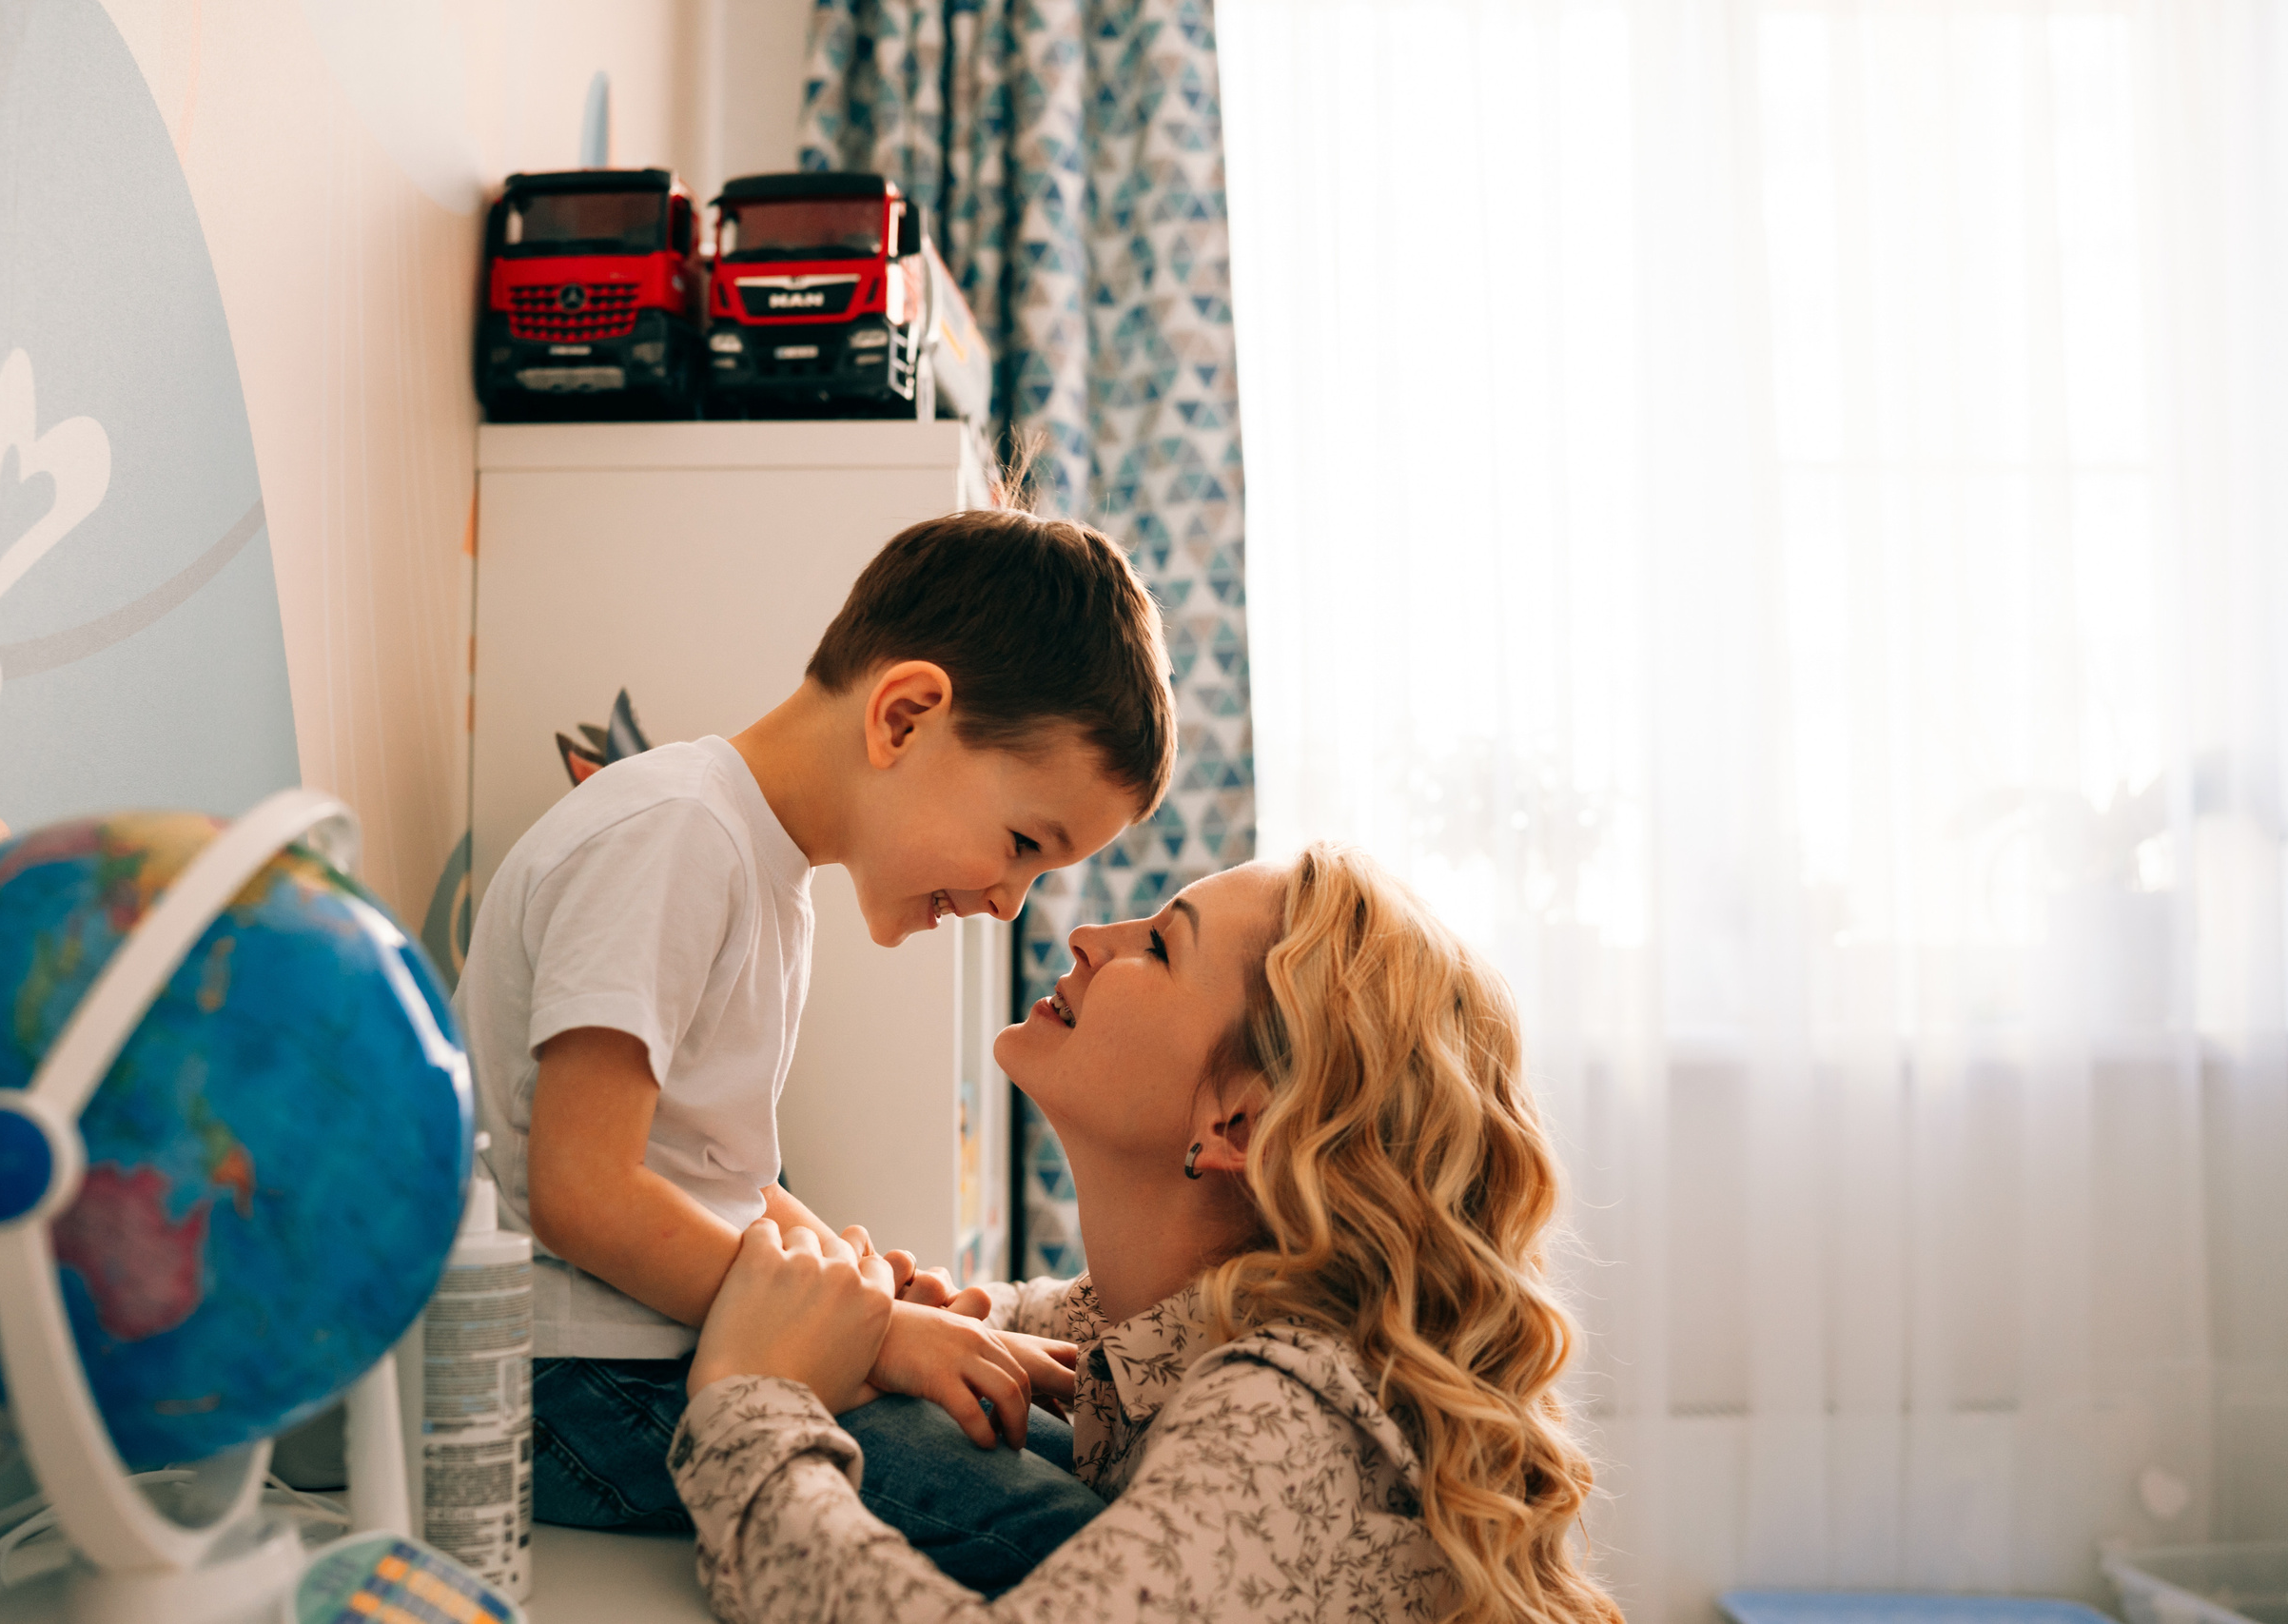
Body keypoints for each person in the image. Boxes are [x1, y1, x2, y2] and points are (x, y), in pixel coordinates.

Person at [453, 509, 1176, 1595]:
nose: (1004, 902)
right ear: (905, 715)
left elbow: (717, 1173)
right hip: (579, 1379)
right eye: (1023, 844)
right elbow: (577, 1187)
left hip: (649, 1356)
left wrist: (887, 1307)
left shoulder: (755, 862)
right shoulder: (675, 836)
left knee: (1060, 1451)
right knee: (1077, 1545)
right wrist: (878, 1337)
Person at [668, 844, 1627, 1624]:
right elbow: (1018, 1318)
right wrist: (901, 1321)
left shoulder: (1289, 1424)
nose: (1087, 935)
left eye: (1162, 948)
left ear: (1237, 1126)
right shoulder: (1165, 1325)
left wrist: (752, 1404)